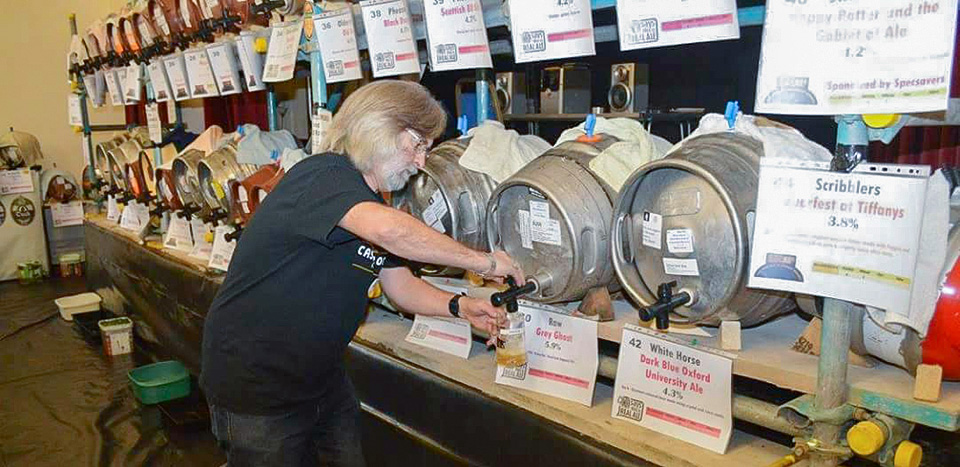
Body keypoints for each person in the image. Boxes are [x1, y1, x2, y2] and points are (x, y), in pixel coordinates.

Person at [200, 80, 524, 467]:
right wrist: (485, 262)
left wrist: (461, 306)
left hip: (319, 378)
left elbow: (400, 286)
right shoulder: (323, 176)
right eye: (417, 144)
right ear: (378, 127)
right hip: (258, 386)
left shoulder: (367, 202)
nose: (421, 162)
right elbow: (390, 231)